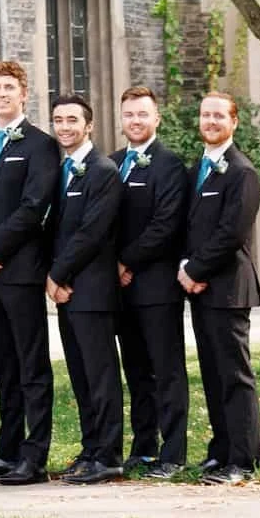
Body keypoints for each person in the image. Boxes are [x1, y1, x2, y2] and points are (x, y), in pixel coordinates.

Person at [0, 57, 59, 483]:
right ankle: (6, 449)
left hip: (19, 269)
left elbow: (33, 207)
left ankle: (34, 455)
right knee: (3, 365)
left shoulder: (40, 145)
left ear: (24, 94)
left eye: (9, 88)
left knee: (31, 364)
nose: (2, 94)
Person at [179, 88, 260, 483]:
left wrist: (195, 269)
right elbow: (192, 225)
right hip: (199, 287)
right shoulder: (198, 167)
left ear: (234, 122)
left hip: (229, 287)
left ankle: (244, 460)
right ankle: (221, 450)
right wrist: (187, 268)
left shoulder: (242, 171)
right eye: (205, 115)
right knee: (212, 374)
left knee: (234, 375)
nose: (210, 122)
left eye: (219, 116)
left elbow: (231, 232)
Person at [113, 81, 190, 478]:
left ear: (156, 117)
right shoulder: (110, 163)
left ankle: (173, 453)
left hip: (156, 287)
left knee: (167, 371)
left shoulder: (170, 165)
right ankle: (142, 447)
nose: (135, 120)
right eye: (129, 114)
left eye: (143, 113)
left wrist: (125, 262)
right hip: (121, 292)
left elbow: (165, 226)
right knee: (136, 372)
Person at [45, 91, 124, 483]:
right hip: (67, 291)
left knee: (100, 373)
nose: (64, 127)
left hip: (91, 290)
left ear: (88, 125)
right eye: (58, 120)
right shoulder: (61, 170)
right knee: (79, 374)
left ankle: (109, 455)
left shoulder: (103, 170)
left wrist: (56, 275)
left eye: (72, 120)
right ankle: (91, 447)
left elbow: (91, 233)